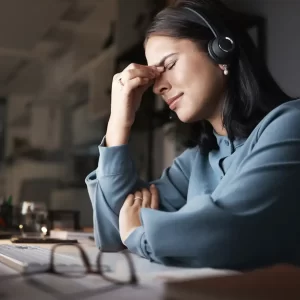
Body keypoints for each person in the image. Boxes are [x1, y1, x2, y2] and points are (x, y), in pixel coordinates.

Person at [85, 0, 300, 271]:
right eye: (155, 77)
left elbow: (228, 233)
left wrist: (138, 234)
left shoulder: (292, 125)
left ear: (221, 51)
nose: (158, 87)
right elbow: (116, 231)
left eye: (170, 64)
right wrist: (119, 122)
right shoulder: (194, 163)